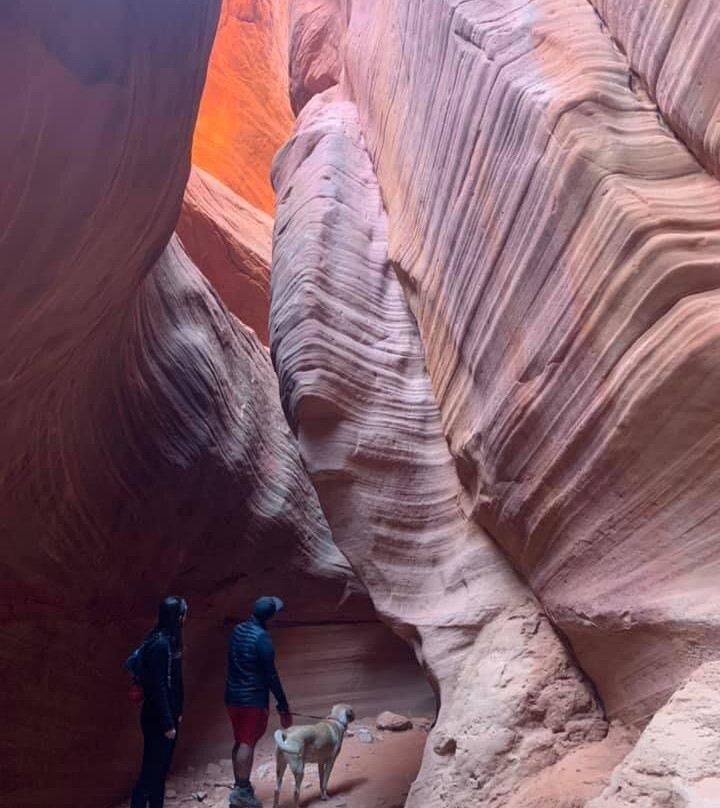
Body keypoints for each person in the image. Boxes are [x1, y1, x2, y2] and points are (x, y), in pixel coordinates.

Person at [226, 596, 292, 808]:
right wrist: (283, 705)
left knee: (239, 740)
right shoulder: (262, 639)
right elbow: (271, 676)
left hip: (232, 697)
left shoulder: (237, 630)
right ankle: (242, 792)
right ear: (269, 617)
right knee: (247, 742)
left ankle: (240, 786)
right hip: (251, 699)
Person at [130, 596, 188, 808]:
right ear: (178, 617)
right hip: (157, 718)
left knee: (159, 771)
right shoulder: (161, 646)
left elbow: (175, 682)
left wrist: (177, 711)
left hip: (164, 715)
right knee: (151, 773)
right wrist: (167, 722)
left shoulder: (166, 641)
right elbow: (159, 686)